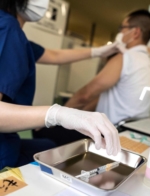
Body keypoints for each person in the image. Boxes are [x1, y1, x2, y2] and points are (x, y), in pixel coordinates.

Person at [0, 0, 121, 169]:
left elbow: (54, 55)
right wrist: (57, 114)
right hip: (3, 151)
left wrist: (97, 51)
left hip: (8, 139)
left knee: (47, 145)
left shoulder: (12, 33)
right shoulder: (8, 28)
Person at [33, 9, 150, 146]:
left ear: (136, 32)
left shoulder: (126, 57)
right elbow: (101, 97)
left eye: (122, 28)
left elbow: (86, 94)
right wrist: (81, 114)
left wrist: (60, 118)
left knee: (40, 130)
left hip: (114, 130)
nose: (120, 32)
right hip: (135, 128)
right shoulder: (147, 63)